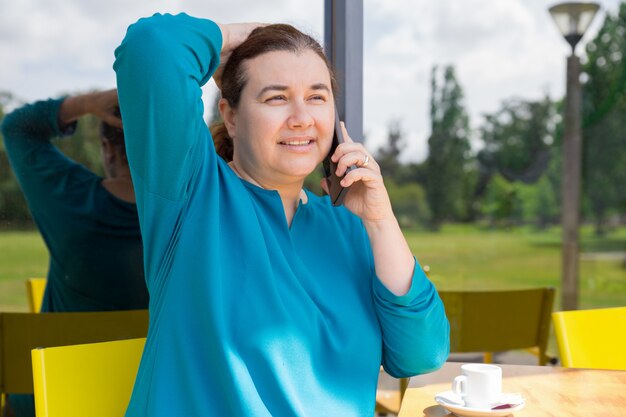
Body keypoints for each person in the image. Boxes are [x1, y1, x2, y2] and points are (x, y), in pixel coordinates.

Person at [114, 12, 449, 416]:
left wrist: (381, 222)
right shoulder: (193, 193)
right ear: (232, 116)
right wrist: (244, 36)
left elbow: (421, 355)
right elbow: (152, 46)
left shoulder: (350, 225)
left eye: (316, 96)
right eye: (276, 97)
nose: (301, 118)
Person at [0, 90, 149, 417]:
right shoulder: (192, 216)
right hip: (144, 403)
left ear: (108, 150)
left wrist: (86, 104)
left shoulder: (72, 199)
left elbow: (17, 128)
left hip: (49, 403)